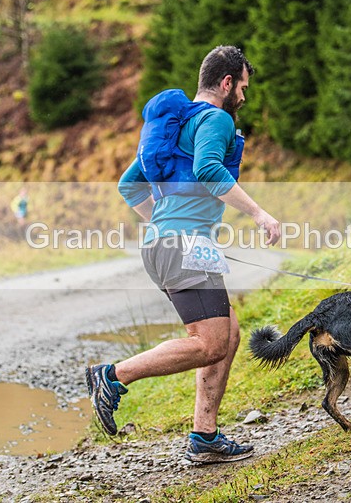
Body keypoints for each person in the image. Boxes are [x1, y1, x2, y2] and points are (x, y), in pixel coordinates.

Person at [88, 46, 281, 464]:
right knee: (209, 343)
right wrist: (261, 215)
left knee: (227, 333)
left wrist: (164, 222)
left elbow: (128, 185)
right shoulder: (216, 119)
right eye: (243, 87)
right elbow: (210, 170)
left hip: (173, 242)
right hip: (183, 245)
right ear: (227, 82)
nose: (244, 98)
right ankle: (113, 376)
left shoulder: (174, 126)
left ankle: (205, 435)